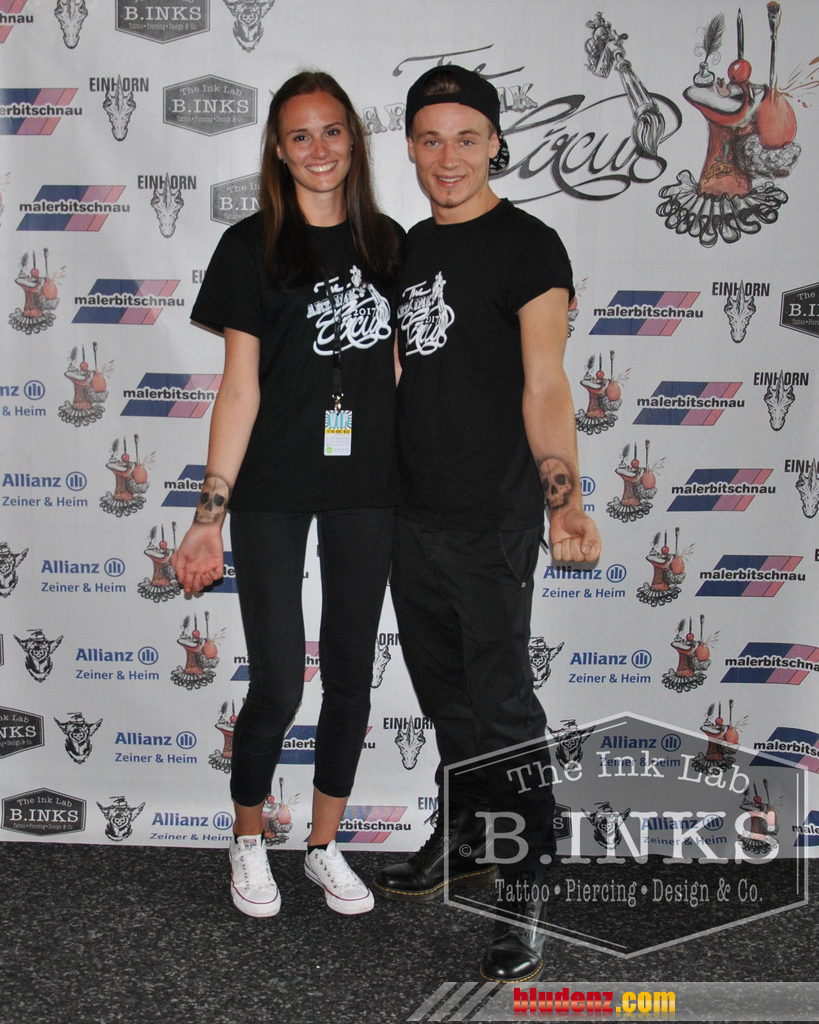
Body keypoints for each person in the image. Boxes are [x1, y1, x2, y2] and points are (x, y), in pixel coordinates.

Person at [371, 66, 602, 981]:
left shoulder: (529, 247)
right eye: (430, 139)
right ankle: (467, 833)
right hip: (409, 512)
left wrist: (565, 497)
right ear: (411, 147)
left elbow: (545, 384)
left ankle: (525, 878)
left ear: (496, 144)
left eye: (466, 139)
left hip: (490, 517)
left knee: (502, 707)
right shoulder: (410, 248)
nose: (448, 157)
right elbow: (403, 373)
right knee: (445, 698)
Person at [172, 71, 403, 919]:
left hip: (366, 486)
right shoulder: (251, 245)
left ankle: (322, 845)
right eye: (299, 135)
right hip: (270, 483)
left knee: (350, 674)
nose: (317, 149)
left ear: (353, 139)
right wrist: (208, 517)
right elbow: (239, 387)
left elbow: (401, 372)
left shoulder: (389, 244)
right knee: (277, 680)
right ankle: (247, 839)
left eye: (331, 130)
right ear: (277, 147)